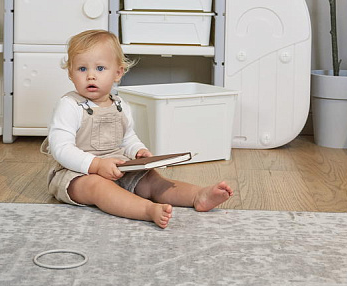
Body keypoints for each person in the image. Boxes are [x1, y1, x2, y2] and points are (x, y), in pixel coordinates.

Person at [43, 29, 233, 228]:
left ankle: (198, 195)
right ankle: (146, 210)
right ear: (70, 73)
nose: (91, 76)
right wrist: (97, 165)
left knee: (152, 180)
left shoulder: (120, 105)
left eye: (100, 68)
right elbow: (61, 148)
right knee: (97, 186)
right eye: (82, 69)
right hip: (77, 174)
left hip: (118, 167)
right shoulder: (69, 105)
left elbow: (128, 138)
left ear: (117, 73)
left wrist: (137, 150)